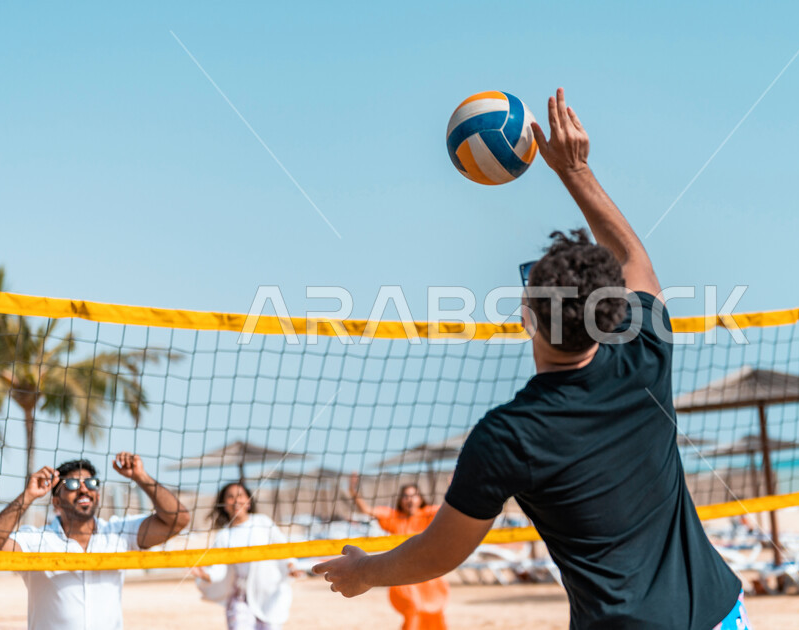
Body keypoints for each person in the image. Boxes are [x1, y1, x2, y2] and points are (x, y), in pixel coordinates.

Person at [315, 88, 749, 629]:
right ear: (611, 314)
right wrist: (575, 170)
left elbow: (441, 552)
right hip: (720, 614)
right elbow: (635, 257)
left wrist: (366, 573)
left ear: (528, 315)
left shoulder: (507, 437)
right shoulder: (644, 359)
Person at [0, 452, 191, 630]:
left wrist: (141, 477)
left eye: (91, 483)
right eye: (73, 484)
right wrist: (28, 496)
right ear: (56, 501)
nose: (84, 488)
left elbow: (178, 520)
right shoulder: (37, 539)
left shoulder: (118, 532)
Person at [347, 474, 449, 630]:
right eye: (406, 496)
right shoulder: (394, 517)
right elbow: (366, 510)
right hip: (405, 575)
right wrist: (353, 490)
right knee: (413, 609)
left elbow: (451, 508)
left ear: (420, 499)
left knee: (434, 613)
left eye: (414, 496)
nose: (410, 499)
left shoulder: (428, 514)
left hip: (429, 576)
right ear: (401, 500)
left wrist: (455, 486)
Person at [191, 482, 297, 630]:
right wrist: (205, 575)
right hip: (240, 597)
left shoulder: (262, 522)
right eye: (230, 497)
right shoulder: (224, 535)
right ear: (223, 504)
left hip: (268, 593)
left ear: (249, 501)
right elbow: (218, 569)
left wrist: (291, 566)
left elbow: (283, 549)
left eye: (240, 495)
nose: (236, 500)